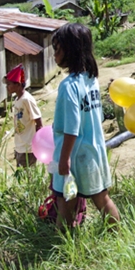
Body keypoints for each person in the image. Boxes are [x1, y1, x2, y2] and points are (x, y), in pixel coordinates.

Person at [50, 23, 120, 228]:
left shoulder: (68, 85)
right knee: (102, 199)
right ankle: (117, 235)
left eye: (57, 48)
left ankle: (63, 247)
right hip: (94, 152)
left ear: (69, 51)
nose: (54, 53)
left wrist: (64, 160)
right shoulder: (91, 79)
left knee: (64, 203)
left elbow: (72, 127)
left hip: (73, 156)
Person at [5, 64, 42, 169]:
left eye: (9, 84)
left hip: (28, 148)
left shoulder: (27, 99)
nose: (7, 87)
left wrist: (37, 143)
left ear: (18, 84)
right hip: (20, 146)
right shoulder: (17, 100)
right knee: (22, 175)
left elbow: (38, 120)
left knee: (27, 176)